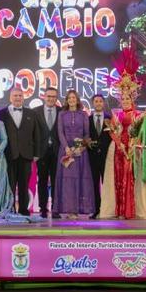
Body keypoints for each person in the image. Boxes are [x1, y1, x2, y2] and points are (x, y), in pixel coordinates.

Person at [98, 47, 146, 220]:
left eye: (127, 99)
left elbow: (144, 134)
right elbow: (113, 131)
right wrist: (120, 144)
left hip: (134, 150)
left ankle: (133, 210)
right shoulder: (116, 114)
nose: (124, 101)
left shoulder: (140, 115)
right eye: (122, 99)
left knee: (133, 180)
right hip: (118, 150)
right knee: (118, 180)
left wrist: (133, 144)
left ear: (132, 99)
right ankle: (120, 210)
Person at [0, 88, 42, 216]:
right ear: (10, 97)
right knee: (9, 185)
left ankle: (23, 210)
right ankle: (9, 209)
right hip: (8, 155)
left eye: (20, 95)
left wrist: (36, 153)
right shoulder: (0, 114)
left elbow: (36, 134)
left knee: (23, 185)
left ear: (23, 97)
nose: (17, 98)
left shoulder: (31, 113)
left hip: (26, 155)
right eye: (15, 95)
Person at [53, 90, 95, 218]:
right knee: (67, 181)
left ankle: (78, 209)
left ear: (77, 100)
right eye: (69, 98)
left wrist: (80, 147)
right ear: (67, 100)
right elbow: (60, 132)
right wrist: (67, 148)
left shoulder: (83, 115)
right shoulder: (61, 114)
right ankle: (68, 209)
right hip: (65, 151)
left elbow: (87, 134)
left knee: (80, 179)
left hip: (80, 152)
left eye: (74, 98)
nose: (71, 100)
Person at [32, 87, 60, 218]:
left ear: (56, 98)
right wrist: (34, 152)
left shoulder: (62, 112)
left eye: (54, 97)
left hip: (57, 152)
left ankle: (55, 209)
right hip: (41, 152)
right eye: (49, 96)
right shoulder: (35, 112)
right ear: (44, 96)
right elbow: (32, 134)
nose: (51, 99)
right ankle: (43, 208)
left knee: (56, 181)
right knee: (42, 181)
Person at [87, 94, 112, 219]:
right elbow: (86, 136)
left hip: (106, 156)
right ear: (93, 103)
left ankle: (107, 210)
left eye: (100, 101)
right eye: (96, 101)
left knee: (107, 184)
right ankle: (97, 209)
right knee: (94, 184)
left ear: (103, 103)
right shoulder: (88, 119)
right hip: (92, 157)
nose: (98, 103)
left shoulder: (110, 119)